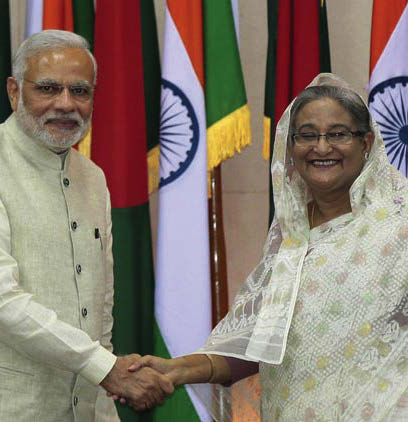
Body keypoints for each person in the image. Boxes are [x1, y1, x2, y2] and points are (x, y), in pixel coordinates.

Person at [130, 73, 408, 420]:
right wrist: (176, 369)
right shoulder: (289, 234)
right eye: (307, 135)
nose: (321, 148)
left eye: (337, 134)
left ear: (366, 142)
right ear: (290, 146)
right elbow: (262, 342)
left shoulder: (399, 224)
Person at [0, 30, 172, 422]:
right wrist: (106, 368)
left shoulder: (93, 177)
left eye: (80, 91)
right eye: (48, 88)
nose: (65, 104)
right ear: (14, 92)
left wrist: (104, 405)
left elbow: (99, 309)